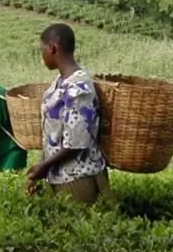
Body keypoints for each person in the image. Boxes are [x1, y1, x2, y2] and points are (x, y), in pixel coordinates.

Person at [24, 23, 114, 203]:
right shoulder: (59, 82)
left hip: (78, 178)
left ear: (52, 48)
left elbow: (76, 142)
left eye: (42, 50)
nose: (42, 56)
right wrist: (43, 168)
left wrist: (44, 166)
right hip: (58, 174)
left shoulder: (79, 87)